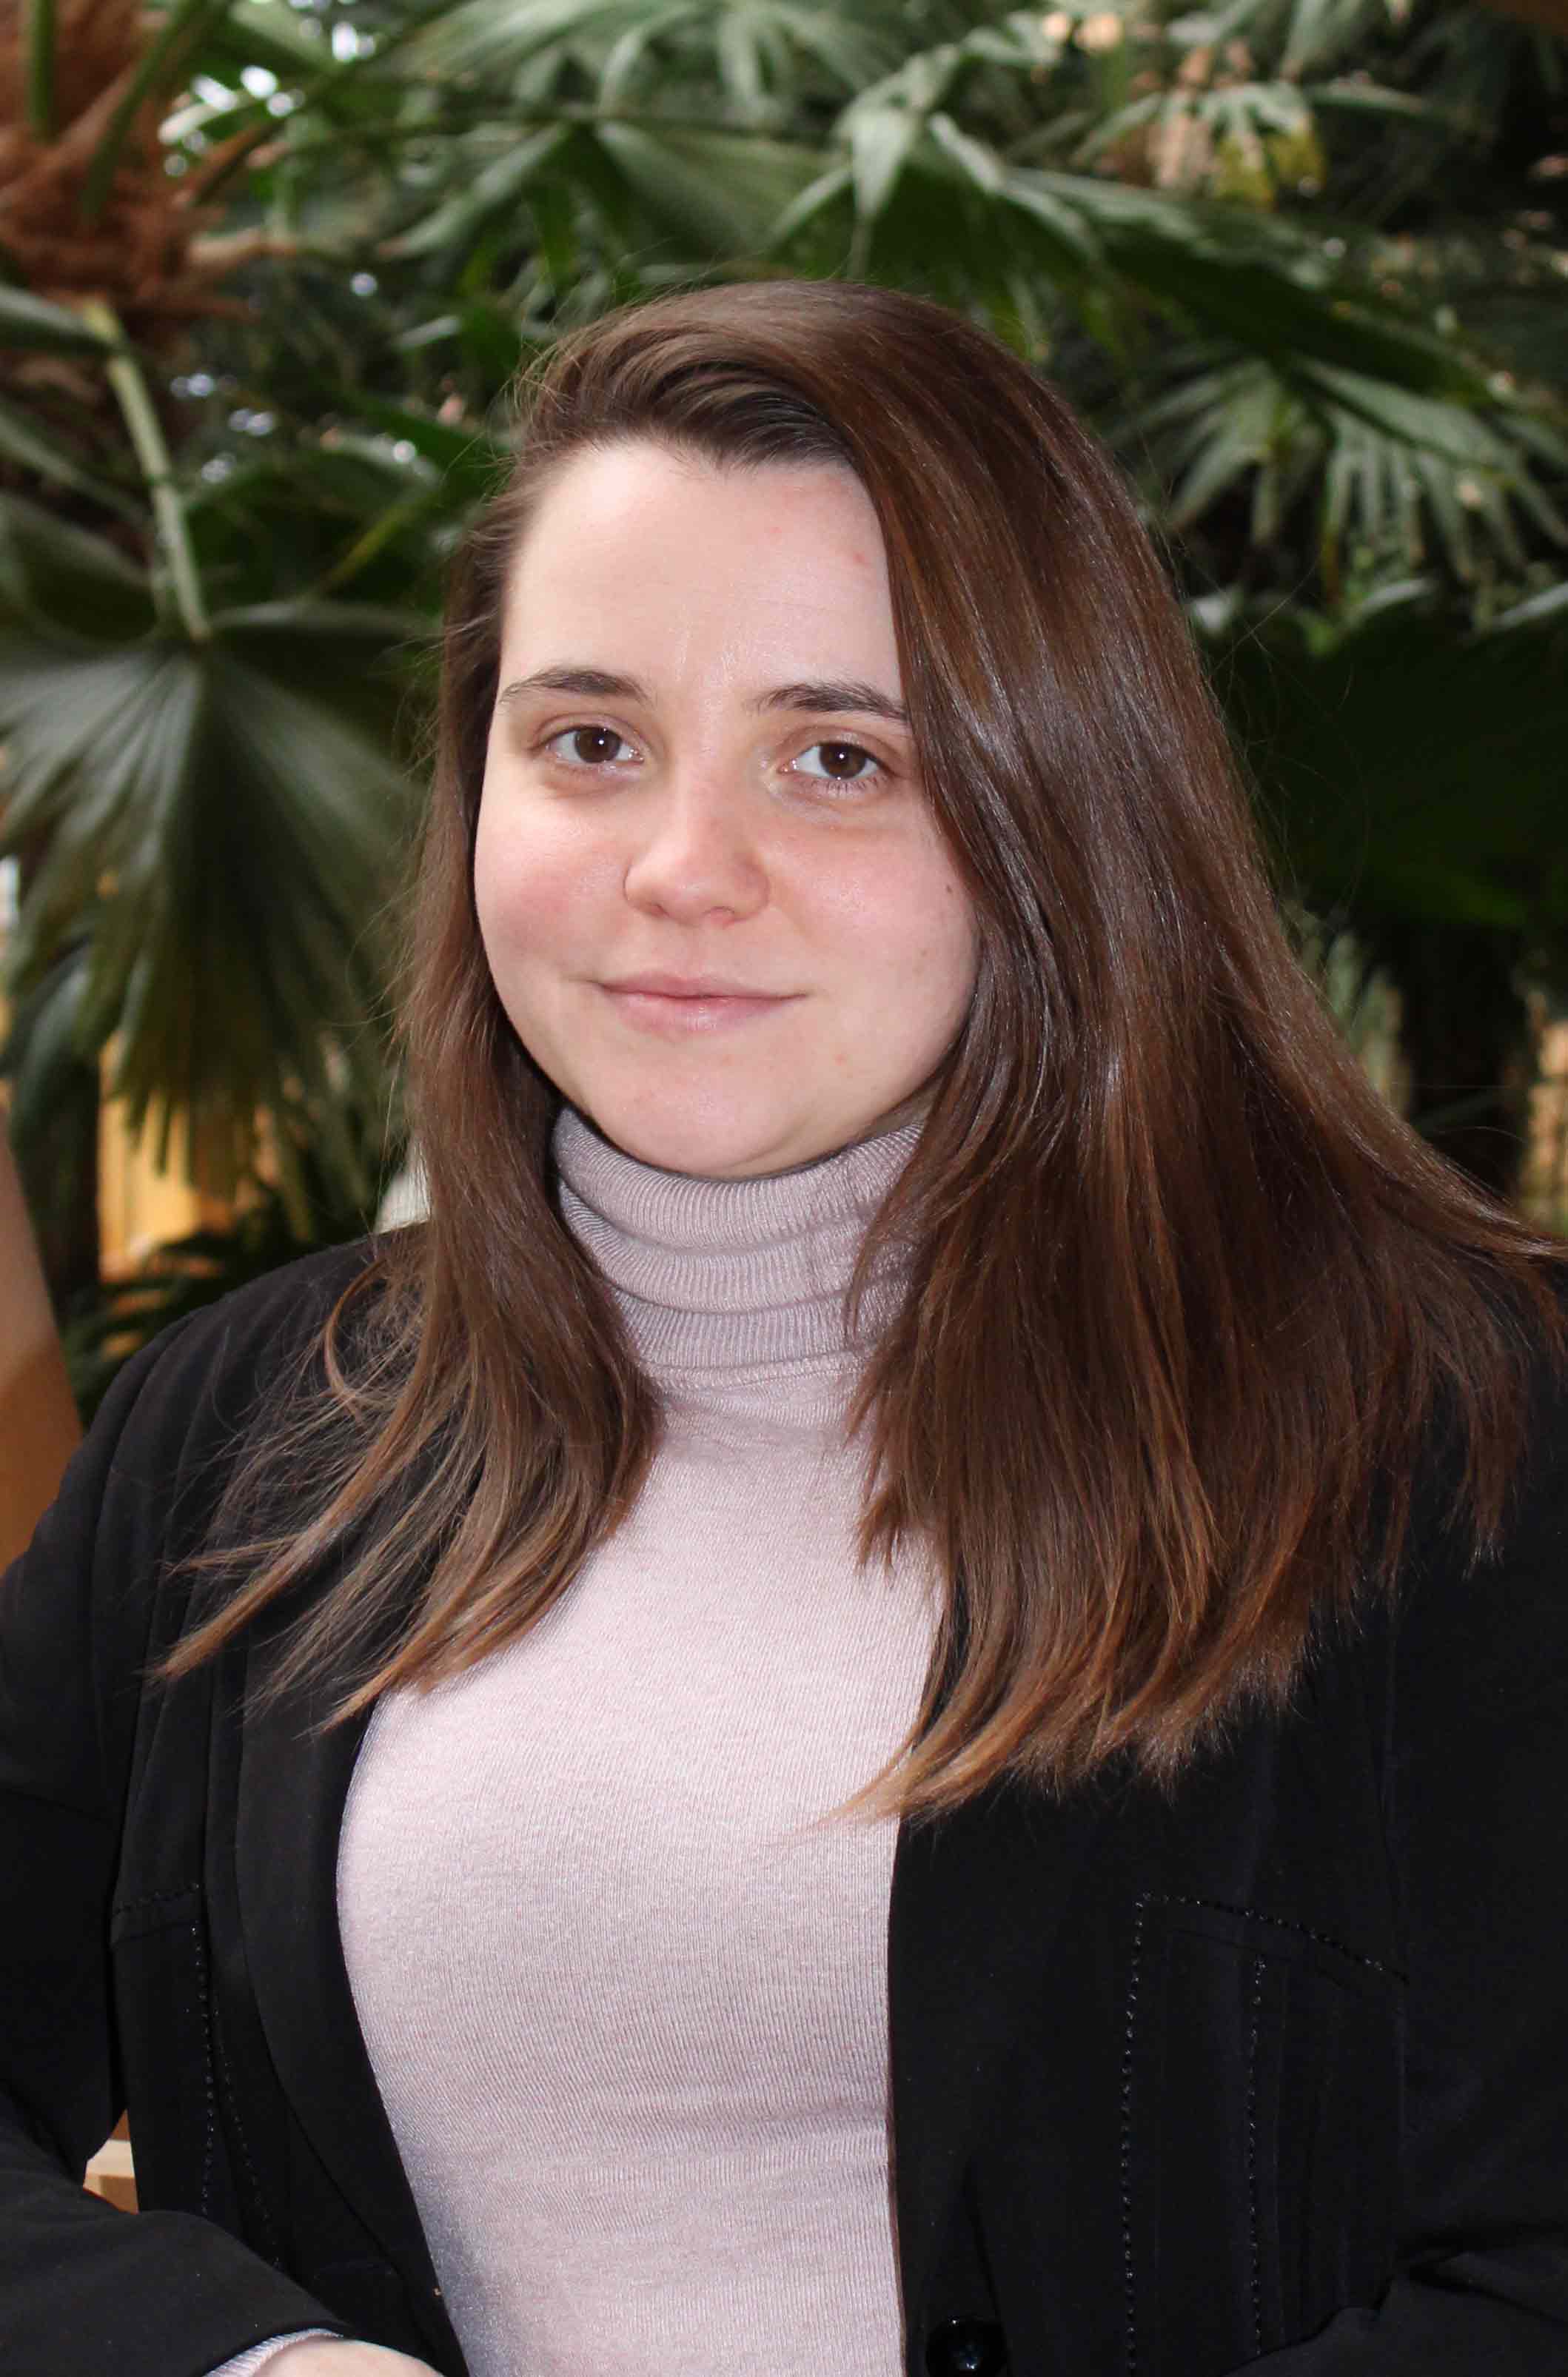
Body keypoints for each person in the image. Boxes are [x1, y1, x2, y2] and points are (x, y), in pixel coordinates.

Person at [1, 278, 1566, 2377]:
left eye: (836, 757)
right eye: (588, 742)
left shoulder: (1447, 1423)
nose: (680, 865)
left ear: (1059, 811)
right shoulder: (250, 1435)